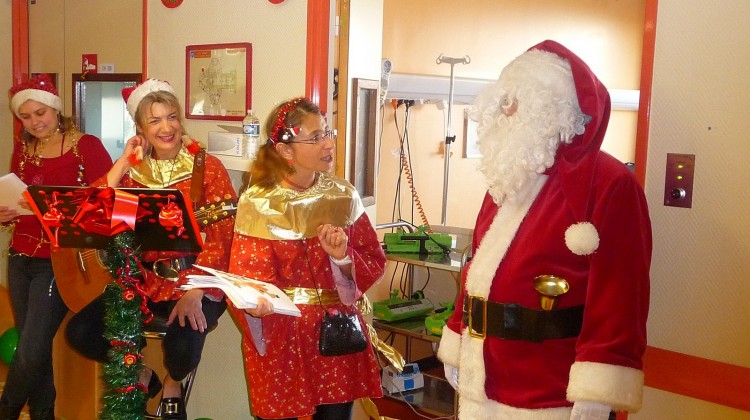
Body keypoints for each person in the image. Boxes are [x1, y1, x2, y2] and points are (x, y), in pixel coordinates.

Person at [437, 40, 652, 419]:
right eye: (504, 100)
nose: (506, 110)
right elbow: (477, 270)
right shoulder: (508, 179)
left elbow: (620, 298)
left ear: (553, 108)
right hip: (481, 384)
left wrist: (596, 394)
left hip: (550, 396)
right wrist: (458, 338)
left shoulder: (609, 184)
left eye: (516, 100)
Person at [64, 79, 236, 420]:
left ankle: (172, 383)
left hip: (197, 281)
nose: (166, 127)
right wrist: (122, 164)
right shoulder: (133, 172)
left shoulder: (206, 167)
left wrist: (197, 289)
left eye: (171, 117)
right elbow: (89, 215)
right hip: (142, 283)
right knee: (81, 332)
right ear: (140, 128)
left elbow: (224, 234)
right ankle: (143, 374)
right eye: (155, 120)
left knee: (182, 347)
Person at [228, 98, 385, 420]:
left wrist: (342, 258)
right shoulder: (258, 202)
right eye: (315, 138)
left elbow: (373, 258)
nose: (328, 144)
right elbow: (245, 275)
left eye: (328, 133)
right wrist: (254, 300)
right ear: (286, 150)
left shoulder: (343, 195)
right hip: (282, 335)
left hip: (335, 334)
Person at [0, 74, 113, 419]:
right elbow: (19, 201)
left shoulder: (86, 146)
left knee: (30, 350)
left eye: (40, 113)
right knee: (37, 350)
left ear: (55, 108)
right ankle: (43, 414)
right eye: (25, 116)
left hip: (61, 260)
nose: (34, 122)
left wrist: (54, 209)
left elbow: (106, 205)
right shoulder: (23, 149)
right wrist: (6, 213)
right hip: (20, 255)